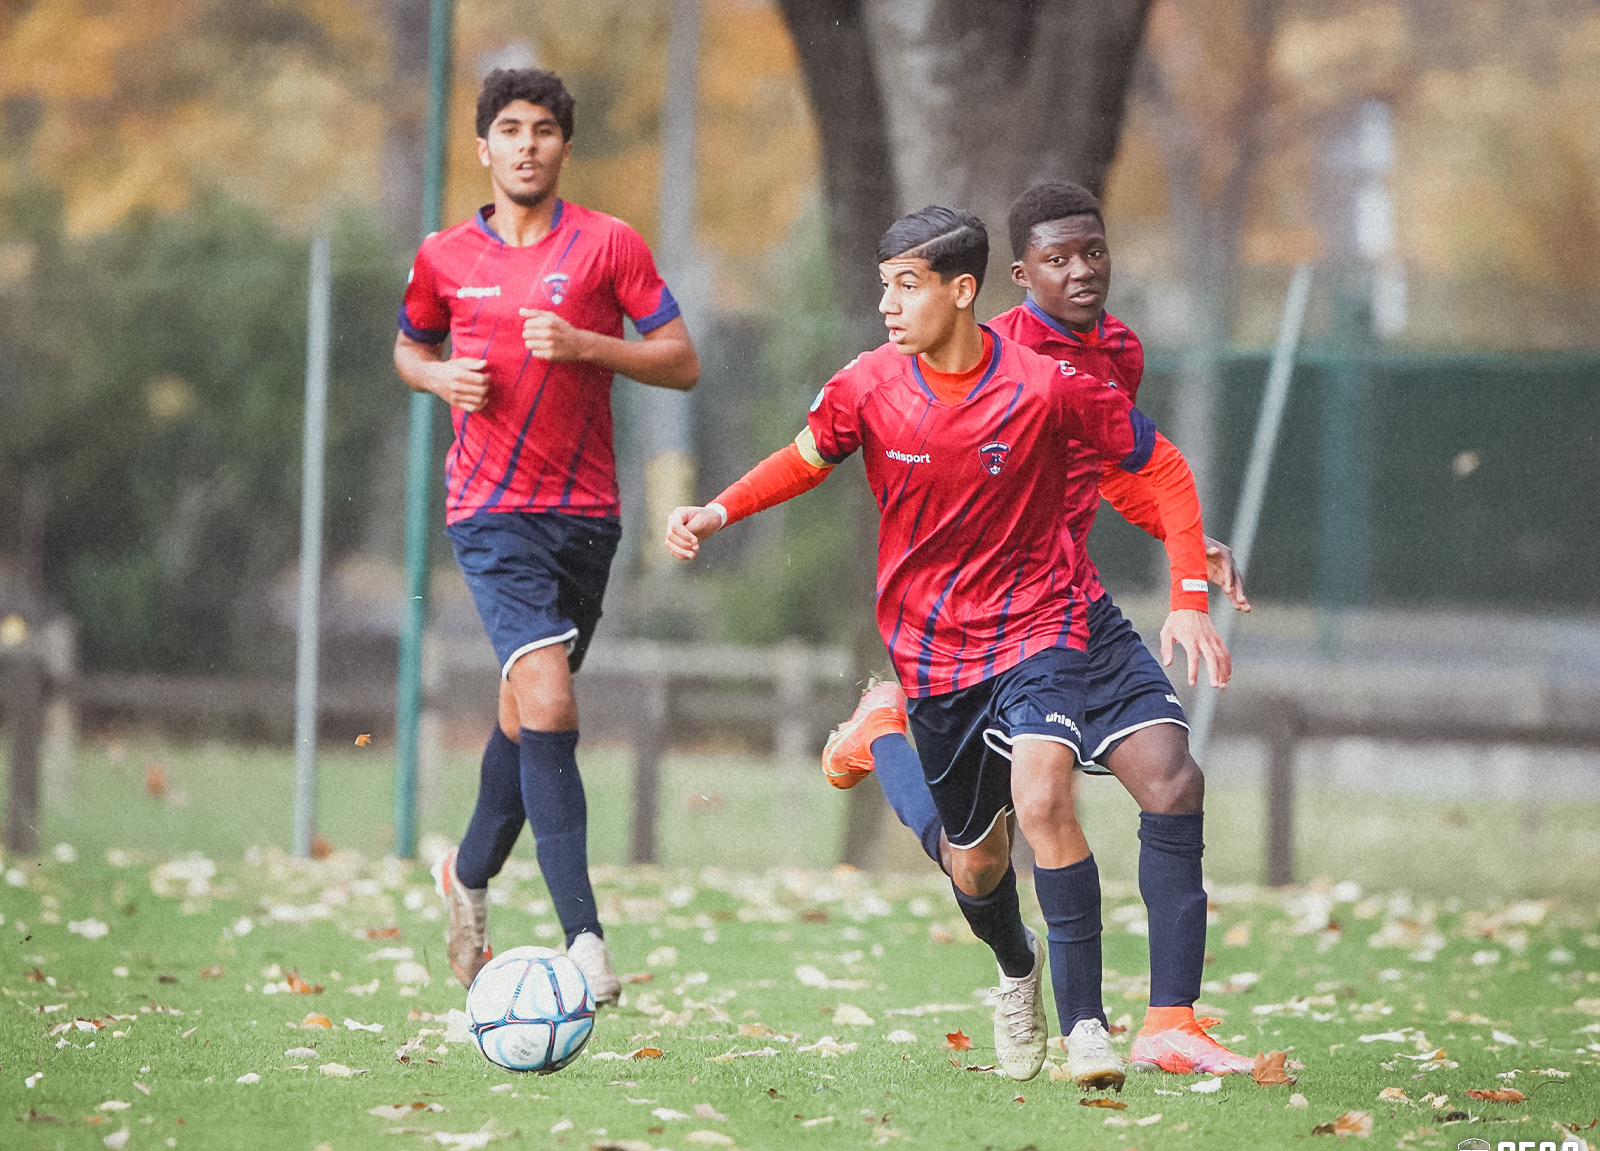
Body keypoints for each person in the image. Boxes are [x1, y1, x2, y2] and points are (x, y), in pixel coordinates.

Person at [666, 206, 1205, 1089]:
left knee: (1042, 795)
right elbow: (805, 458)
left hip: (1042, 628)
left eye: (906, 285)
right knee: (975, 863)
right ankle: (1000, 940)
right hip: (932, 655)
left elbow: (1162, 466)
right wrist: (719, 509)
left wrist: (1187, 589)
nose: (887, 303)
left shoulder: (1046, 387)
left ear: (962, 292)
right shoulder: (868, 385)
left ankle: (1088, 1032)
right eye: (884, 285)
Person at [819, 181, 1259, 1080]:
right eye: (1056, 259)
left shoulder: (1115, 351)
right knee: (980, 859)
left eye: (1092, 252)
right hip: (996, 629)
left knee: (1173, 782)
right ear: (1014, 278)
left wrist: (1178, 542)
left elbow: (1110, 467)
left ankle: (1169, 1021)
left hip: (1071, 608)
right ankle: (888, 738)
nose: (1081, 271)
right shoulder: (996, 352)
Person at [394, 67, 700, 1001]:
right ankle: (587, 943)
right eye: (510, 129)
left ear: (566, 147)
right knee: (554, 706)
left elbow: (682, 362)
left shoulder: (609, 247)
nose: (527, 145)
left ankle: (468, 871)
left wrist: (586, 346)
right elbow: (410, 345)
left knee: (526, 712)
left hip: (586, 517)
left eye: (544, 131)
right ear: (483, 147)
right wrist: (438, 379)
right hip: (489, 512)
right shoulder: (445, 256)